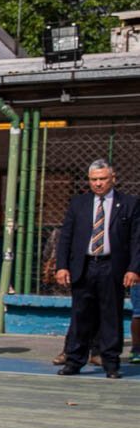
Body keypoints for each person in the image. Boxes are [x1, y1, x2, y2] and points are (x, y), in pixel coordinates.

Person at [55, 159, 140, 378]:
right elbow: (66, 237)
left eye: (102, 179)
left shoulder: (129, 203)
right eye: (94, 179)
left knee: (111, 315)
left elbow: (136, 239)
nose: (98, 183)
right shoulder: (79, 203)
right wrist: (62, 266)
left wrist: (134, 269)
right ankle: (74, 360)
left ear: (113, 178)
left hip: (112, 266)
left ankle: (110, 362)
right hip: (84, 266)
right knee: (80, 315)